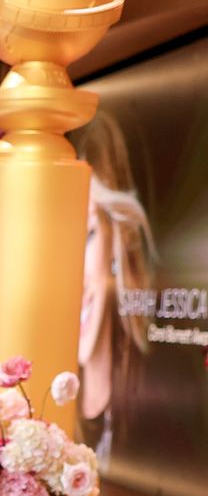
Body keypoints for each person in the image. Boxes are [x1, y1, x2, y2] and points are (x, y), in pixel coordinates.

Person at [72, 113, 154, 466]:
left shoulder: (150, 408)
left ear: (119, 243)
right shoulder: (45, 400)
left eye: (88, 235)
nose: (72, 272)